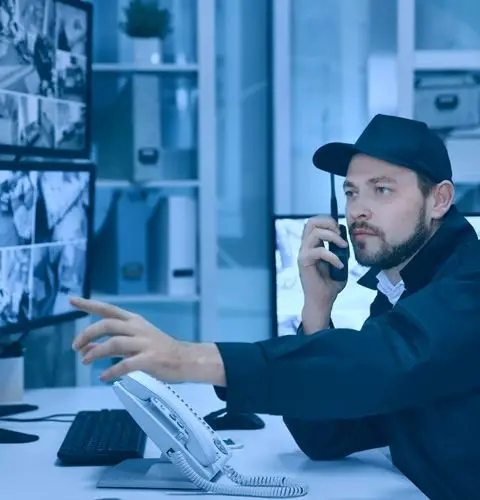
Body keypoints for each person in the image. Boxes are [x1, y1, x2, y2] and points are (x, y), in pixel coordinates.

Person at [71, 114, 480, 500]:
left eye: (382, 189)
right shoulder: (400, 287)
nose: (358, 209)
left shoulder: (468, 284)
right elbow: (329, 438)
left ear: (439, 199)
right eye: (351, 192)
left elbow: (386, 360)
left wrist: (186, 359)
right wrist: (317, 307)